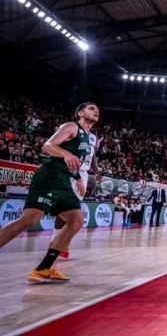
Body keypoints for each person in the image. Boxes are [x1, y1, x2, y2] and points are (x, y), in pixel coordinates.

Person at [0, 103, 98, 283]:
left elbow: (72, 162)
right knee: (30, 219)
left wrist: (77, 178)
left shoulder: (88, 138)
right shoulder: (71, 126)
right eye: (91, 108)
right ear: (80, 113)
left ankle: (43, 269)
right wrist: (65, 154)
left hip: (65, 180)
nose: (96, 110)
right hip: (50, 176)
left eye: (97, 109)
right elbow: (48, 145)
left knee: (76, 221)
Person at [49, 131, 101, 259]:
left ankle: (61, 241)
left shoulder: (93, 137)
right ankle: (56, 240)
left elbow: (92, 156)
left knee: (73, 208)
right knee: (66, 206)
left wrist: (96, 171)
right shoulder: (73, 131)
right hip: (70, 170)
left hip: (83, 174)